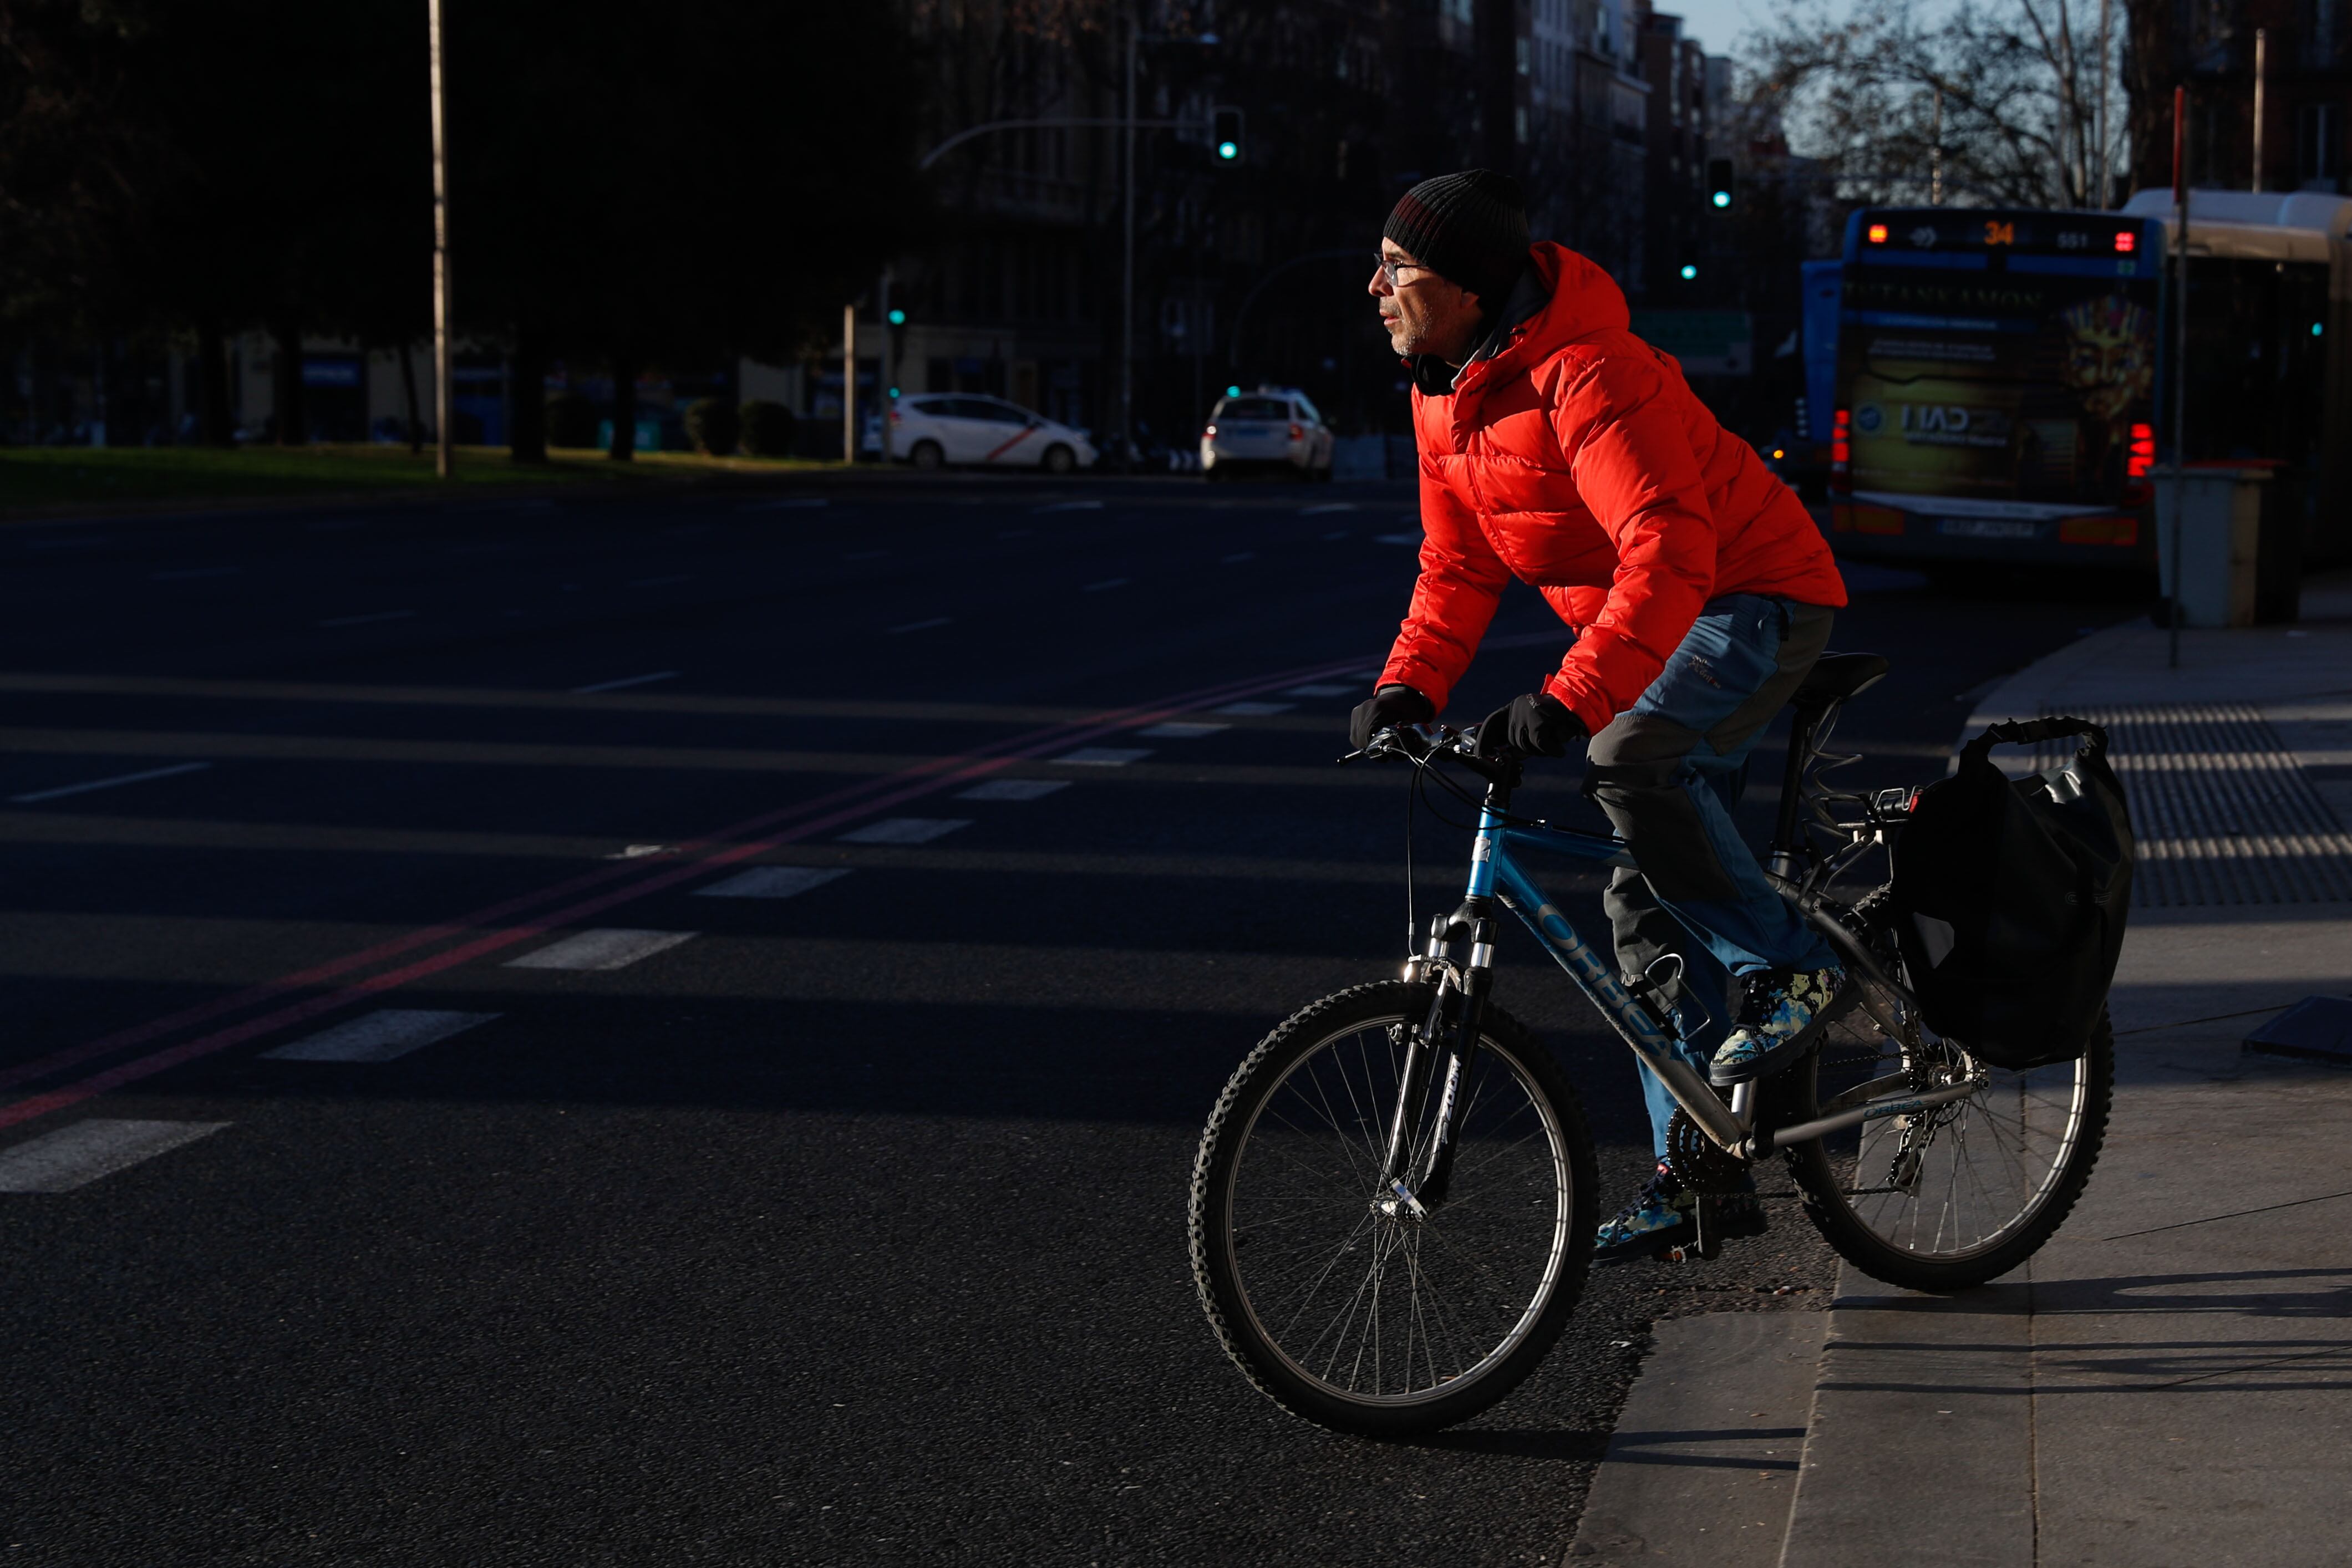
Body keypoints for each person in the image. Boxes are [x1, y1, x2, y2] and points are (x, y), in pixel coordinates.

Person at [1347, 170, 1851, 1262]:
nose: (1374, 286)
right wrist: (1409, 686)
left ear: (1472, 289)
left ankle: (1799, 961)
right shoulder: (1445, 389)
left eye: (1399, 271)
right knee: (1640, 902)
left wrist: (1572, 701)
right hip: (1664, 618)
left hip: (1752, 597)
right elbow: (1458, 563)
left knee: (1630, 760)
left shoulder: (1593, 373)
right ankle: (1699, 1169)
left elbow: (1673, 549)